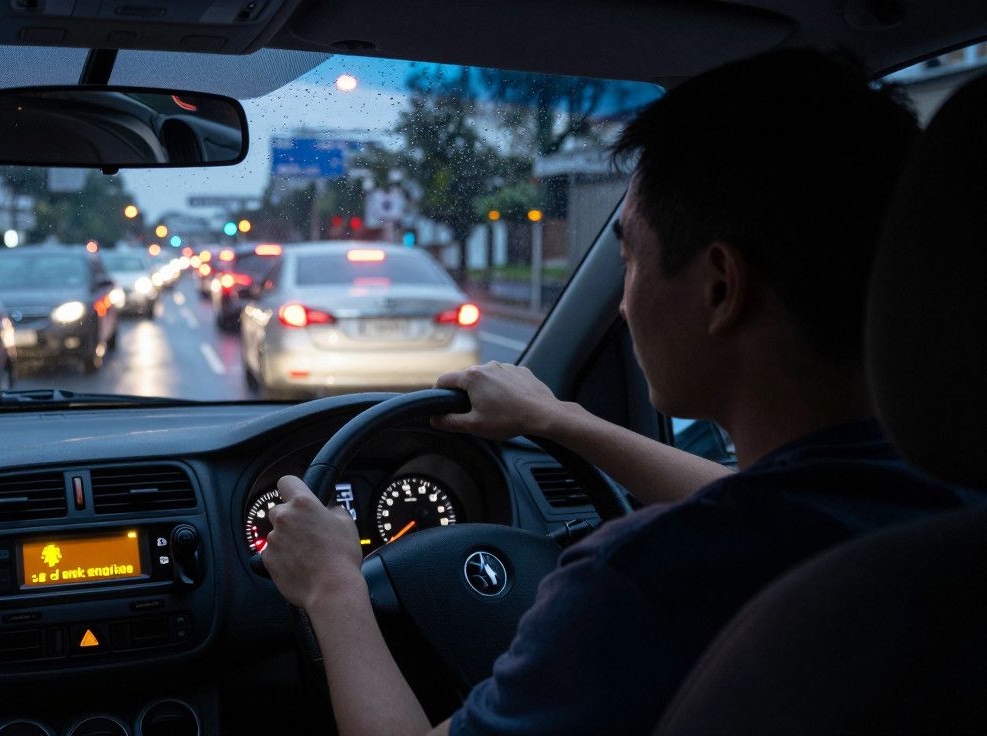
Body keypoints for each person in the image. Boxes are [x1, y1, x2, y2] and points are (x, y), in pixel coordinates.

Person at [259, 48, 978, 736]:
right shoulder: (945, 505)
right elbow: (756, 498)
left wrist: (333, 588)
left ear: (720, 288)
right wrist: (559, 419)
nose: (626, 305)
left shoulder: (640, 586)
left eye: (628, 255)